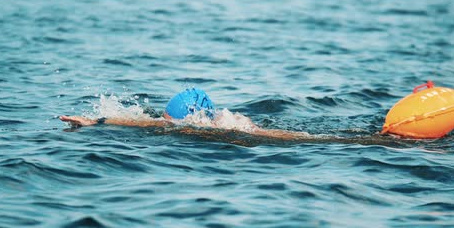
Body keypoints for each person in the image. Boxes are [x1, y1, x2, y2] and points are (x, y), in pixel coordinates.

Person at [60, 88, 312, 140]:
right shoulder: (222, 120)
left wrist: (94, 121)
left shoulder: (198, 127)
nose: (163, 120)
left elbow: (138, 124)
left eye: (167, 118)